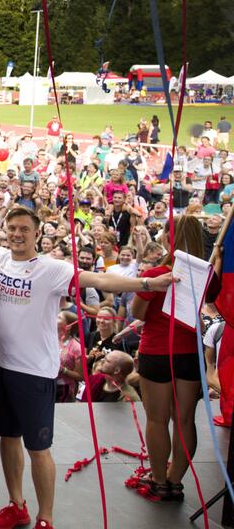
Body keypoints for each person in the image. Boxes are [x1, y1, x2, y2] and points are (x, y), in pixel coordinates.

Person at [0, 206, 174, 529]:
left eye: (24, 229)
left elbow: (99, 278)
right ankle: (17, 505)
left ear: (37, 233)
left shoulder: (52, 269)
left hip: (36, 373)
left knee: (39, 448)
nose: (17, 234)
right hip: (1, 364)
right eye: (12, 228)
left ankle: (46, 516)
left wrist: (147, 283)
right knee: (8, 438)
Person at [130, 214, 211, 502]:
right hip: (189, 353)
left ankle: (159, 480)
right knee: (185, 420)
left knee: (156, 419)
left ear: (167, 237)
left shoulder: (155, 275)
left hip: (157, 353)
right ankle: (176, 480)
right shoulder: (207, 276)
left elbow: (137, 313)